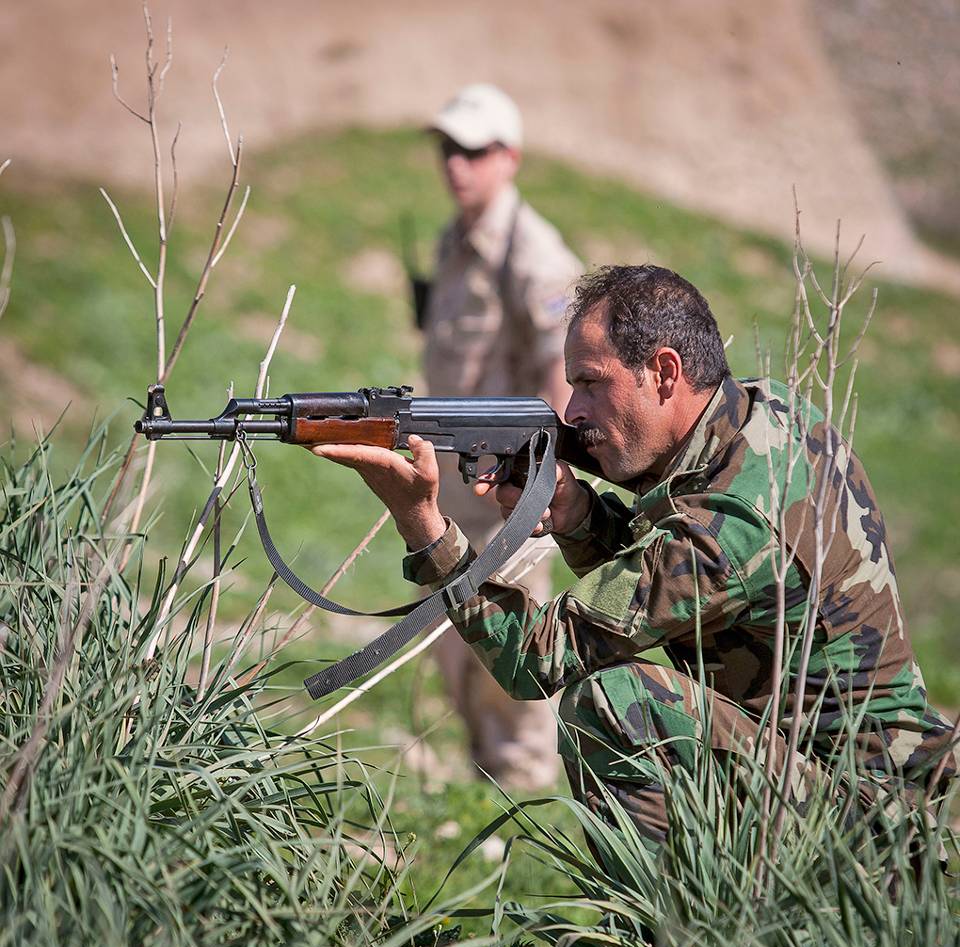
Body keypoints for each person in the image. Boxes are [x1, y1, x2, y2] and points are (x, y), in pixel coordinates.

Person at [312, 264, 958, 850]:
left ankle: (674, 927)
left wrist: (424, 525)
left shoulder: (735, 522)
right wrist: (578, 514)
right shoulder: (763, 417)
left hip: (869, 824)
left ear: (666, 373)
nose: (573, 412)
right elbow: (673, 586)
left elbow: (540, 658)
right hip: (834, 776)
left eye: (591, 384)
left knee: (615, 702)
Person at [415, 83, 583, 790]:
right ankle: (486, 784)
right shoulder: (455, 241)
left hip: (506, 493)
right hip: (458, 487)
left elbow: (562, 373)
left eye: (474, 151)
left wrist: (535, 485)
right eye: (448, 149)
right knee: (455, 644)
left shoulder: (534, 255)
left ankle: (522, 785)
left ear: (509, 157)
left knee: (509, 652)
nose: (457, 164)